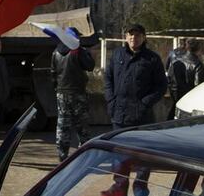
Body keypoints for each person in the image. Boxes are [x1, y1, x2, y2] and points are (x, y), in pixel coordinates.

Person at [103, 24, 167, 196]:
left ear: (144, 38)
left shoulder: (152, 59)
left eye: (137, 35)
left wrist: (144, 104)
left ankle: (140, 189)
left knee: (143, 158)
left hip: (142, 118)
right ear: (126, 37)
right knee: (119, 156)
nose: (133, 38)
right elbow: (108, 78)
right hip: (119, 115)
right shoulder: (117, 55)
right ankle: (119, 187)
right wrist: (111, 101)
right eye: (130, 35)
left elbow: (161, 86)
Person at [50, 27, 95, 162]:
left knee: (63, 126)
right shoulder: (79, 51)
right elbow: (90, 66)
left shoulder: (56, 52)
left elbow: (53, 74)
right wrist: (84, 53)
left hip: (61, 94)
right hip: (78, 93)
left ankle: (62, 156)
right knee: (82, 127)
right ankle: (84, 156)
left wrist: (57, 90)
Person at [166, 38, 204, 120]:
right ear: (198, 49)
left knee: (174, 112)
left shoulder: (177, 58)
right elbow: (198, 86)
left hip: (174, 91)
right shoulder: (198, 64)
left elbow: (168, 72)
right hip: (187, 95)